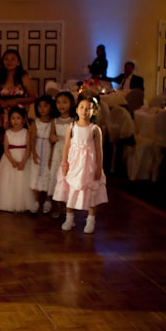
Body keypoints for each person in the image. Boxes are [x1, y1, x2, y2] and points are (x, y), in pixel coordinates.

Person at [54, 97, 107, 233]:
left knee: (91, 189)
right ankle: (69, 217)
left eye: (88, 108)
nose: (84, 111)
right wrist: (64, 163)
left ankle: (90, 219)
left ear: (93, 111)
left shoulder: (95, 129)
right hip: (74, 164)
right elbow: (66, 146)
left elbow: (99, 150)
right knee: (71, 189)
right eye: (82, 107)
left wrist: (99, 168)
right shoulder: (71, 127)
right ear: (77, 110)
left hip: (89, 165)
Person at [0, 106, 36, 213]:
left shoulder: (26, 132)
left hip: (23, 158)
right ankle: (8, 203)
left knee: (22, 181)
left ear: (23, 119)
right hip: (9, 159)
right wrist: (12, 161)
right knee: (8, 182)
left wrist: (23, 162)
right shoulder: (7, 133)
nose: (15, 121)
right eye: (13, 118)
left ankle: (22, 203)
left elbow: (28, 148)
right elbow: (6, 149)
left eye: (18, 118)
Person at [0, 49, 36, 152]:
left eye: (13, 59)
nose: (9, 62)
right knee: (2, 148)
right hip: (3, 118)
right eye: (6, 59)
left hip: (18, 117)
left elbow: (33, 97)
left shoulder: (23, 77)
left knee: (19, 146)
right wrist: (0, 101)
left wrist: (18, 100)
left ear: (18, 62)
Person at [49, 92, 75, 219]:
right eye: (58, 102)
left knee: (68, 180)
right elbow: (51, 137)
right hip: (57, 153)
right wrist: (53, 138)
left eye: (65, 102)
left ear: (71, 103)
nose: (61, 105)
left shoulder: (74, 121)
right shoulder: (55, 120)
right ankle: (58, 207)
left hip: (70, 153)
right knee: (57, 180)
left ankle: (68, 208)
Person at [30, 95, 57, 215]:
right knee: (35, 173)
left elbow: (52, 140)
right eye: (40, 106)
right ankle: (36, 201)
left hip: (47, 149)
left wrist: (51, 156)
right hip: (37, 148)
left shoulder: (53, 122)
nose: (42, 109)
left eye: (45, 106)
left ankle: (48, 200)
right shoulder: (35, 122)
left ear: (51, 107)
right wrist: (34, 153)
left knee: (48, 174)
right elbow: (32, 138)